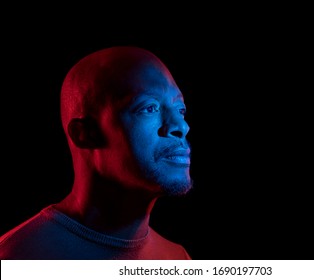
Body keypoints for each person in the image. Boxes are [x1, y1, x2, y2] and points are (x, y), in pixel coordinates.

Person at [0, 45, 193, 260]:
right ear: (85, 134)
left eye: (181, 110)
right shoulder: (18, 257)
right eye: (149, 108)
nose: (181, 126)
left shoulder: (178, 259)